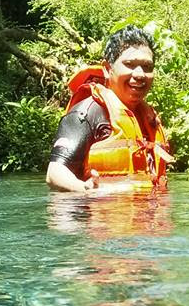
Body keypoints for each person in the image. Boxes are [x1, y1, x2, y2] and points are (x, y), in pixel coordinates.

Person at [46, 26, 173, 193]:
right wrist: (86, 190)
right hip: (101, 214)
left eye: (147, 67)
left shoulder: (148, 117)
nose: (140, 74)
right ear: (107, 68)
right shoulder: (88, 112)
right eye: (129, 64)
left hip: (145, 215)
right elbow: (54, 174)